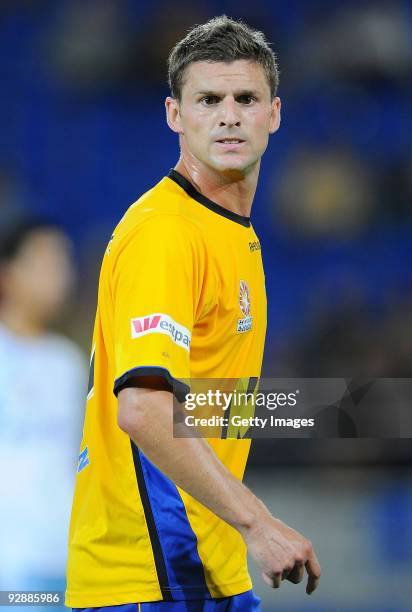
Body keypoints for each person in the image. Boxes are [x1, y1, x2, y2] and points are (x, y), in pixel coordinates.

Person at [66, 16, 321, 612]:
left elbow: (205, 401)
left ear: (274, 113)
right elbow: (145, 409)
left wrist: (354, 409)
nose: (229, 115)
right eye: (208, 99)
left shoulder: (229, 232)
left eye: (245, 98)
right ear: (174, 116)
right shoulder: (168, 234)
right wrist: (258, 523)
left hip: (206, 570)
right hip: (148, 575)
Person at [0, 217, 86, 599]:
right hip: (9, 566)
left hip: (64, 561)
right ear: (8, 274)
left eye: (63, 263)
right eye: (46, 263)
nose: (61, 276)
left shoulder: (68, 363)